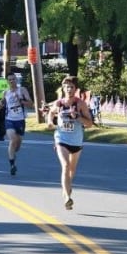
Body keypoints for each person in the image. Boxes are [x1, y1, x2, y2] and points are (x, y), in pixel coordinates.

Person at [45, 76, 93, 210]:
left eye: (72, 87)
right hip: (61, 139)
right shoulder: (59, 103)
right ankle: (67, 197)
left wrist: (77, 116)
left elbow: (89, 123)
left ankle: (67, 187)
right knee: (65, 166)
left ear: (75, 89)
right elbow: (51, 113)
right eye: (67, 87)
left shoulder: (80, 104)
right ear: (63, 88)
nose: (69, 89)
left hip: (76, 141)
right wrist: (50, 122)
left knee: (72, 169)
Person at [0, 72, 34, 176]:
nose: (12, 81)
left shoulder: (22, 90)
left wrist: (21, 101)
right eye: (10, 80)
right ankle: (12, 165)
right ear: (7, 81)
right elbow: (1, 103)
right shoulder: (6, 92)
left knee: (17, 147)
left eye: (13, 79)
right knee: (12, 140)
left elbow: (31, 104)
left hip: (20, 120)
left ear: (16, 80)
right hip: (9, 120)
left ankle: (13, 154)